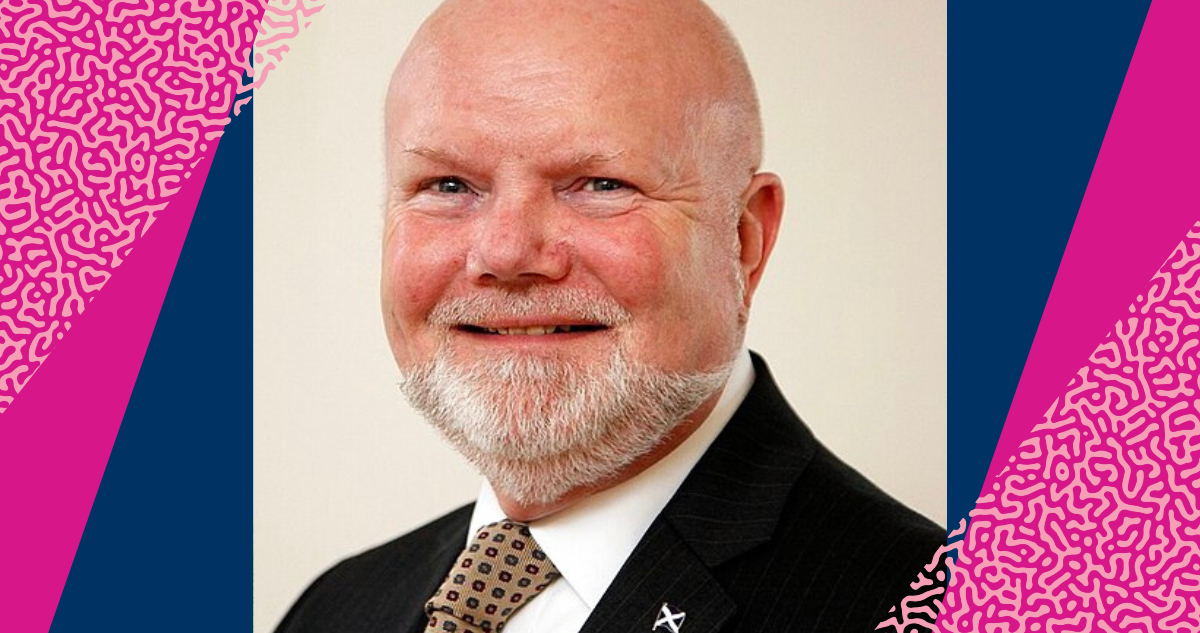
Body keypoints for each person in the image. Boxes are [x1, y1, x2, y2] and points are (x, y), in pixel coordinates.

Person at [275, 0, 944, 631]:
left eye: (601, 185)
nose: (506, 253)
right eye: (448, 185)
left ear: (744, 239)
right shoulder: (337, 608)